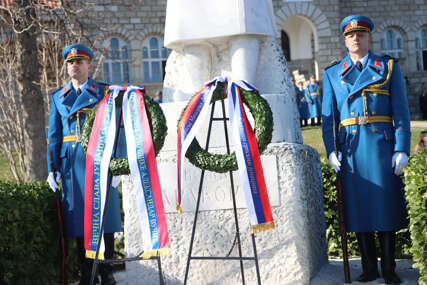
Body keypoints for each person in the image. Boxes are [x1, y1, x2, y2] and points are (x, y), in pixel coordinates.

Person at [322, 15, 411, 284]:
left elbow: (402, 112)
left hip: (381, 147)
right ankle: (369, 268)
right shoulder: (332, 74)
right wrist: (331, 150)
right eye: (350, 35)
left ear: (369, 37)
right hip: (351, 149)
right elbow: (329, 117)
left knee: (384, 208)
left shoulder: (387, 67)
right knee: (359, 211)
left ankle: (389, 270)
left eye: (360, 34)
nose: (355, 38)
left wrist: (402, 148)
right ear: (345, 40)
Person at [46, 44, 122, 285]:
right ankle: (87, 273)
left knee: (106, 218)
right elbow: (55, 135)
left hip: (99, 160)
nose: (74, 65)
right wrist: (53, 168)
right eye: (70, 63)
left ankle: (107, 272)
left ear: (89, 65)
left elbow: (115, 127)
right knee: (79, 221)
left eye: (79, 62)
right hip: (71, 165)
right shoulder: (58, 97)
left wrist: (118, 163)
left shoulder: (104, 91)